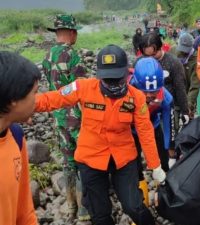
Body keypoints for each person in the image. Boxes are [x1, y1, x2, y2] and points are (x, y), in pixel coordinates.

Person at [35, 44, 167, 225]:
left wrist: (155, 165)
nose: (112, 84)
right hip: (91, 157)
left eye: (117, 80)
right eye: (108, 79)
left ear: (125, 75)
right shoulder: (83, 88)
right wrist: (24, 104)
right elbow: (53, 98)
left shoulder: (136, 97)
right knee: (100, 213)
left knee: (133, 206)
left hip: (123, 157)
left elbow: (145, 131)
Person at [43, 14, 90, 223]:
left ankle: (70, 204)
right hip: (76, 117)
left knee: (68, 161)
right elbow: (83, 89)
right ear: (72, 33)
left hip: (58, 116)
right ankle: (84, 210)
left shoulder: (48, 56)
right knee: (83, 159)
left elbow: (52, 89)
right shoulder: (73, 56)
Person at [0, 51, 40, 225]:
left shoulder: (15, 137)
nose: (36, 100)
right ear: (13, 99)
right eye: (34, 92)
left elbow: (24, 212)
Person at [130, 57, 175, 206]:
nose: (149, 96)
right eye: (145, 92)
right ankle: (141, 203)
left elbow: (168, 124)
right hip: (131, 131)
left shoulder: (166, 98)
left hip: (153, 126)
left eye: (154, 92)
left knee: (162, 160)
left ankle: (163, 196)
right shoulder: (126, 90)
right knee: (134, 165)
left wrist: (170, 148)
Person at [139, 32, 190, 133]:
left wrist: (185, 111)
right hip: (147, 107)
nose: (151, 59)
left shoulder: (173, 63)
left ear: (160, 48)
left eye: (154, 55)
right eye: (146, 56)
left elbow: (180, 88)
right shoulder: (140, 63)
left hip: (169, 107)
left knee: (169, 137)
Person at [175, 33, 200, 117]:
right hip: (177, 91)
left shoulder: (196, 60)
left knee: (188, 116)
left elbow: (194, 86)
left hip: (189, 91)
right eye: (182, 49)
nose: (183, 51)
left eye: (186, 49)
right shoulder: (175, 53)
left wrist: (189, 105)